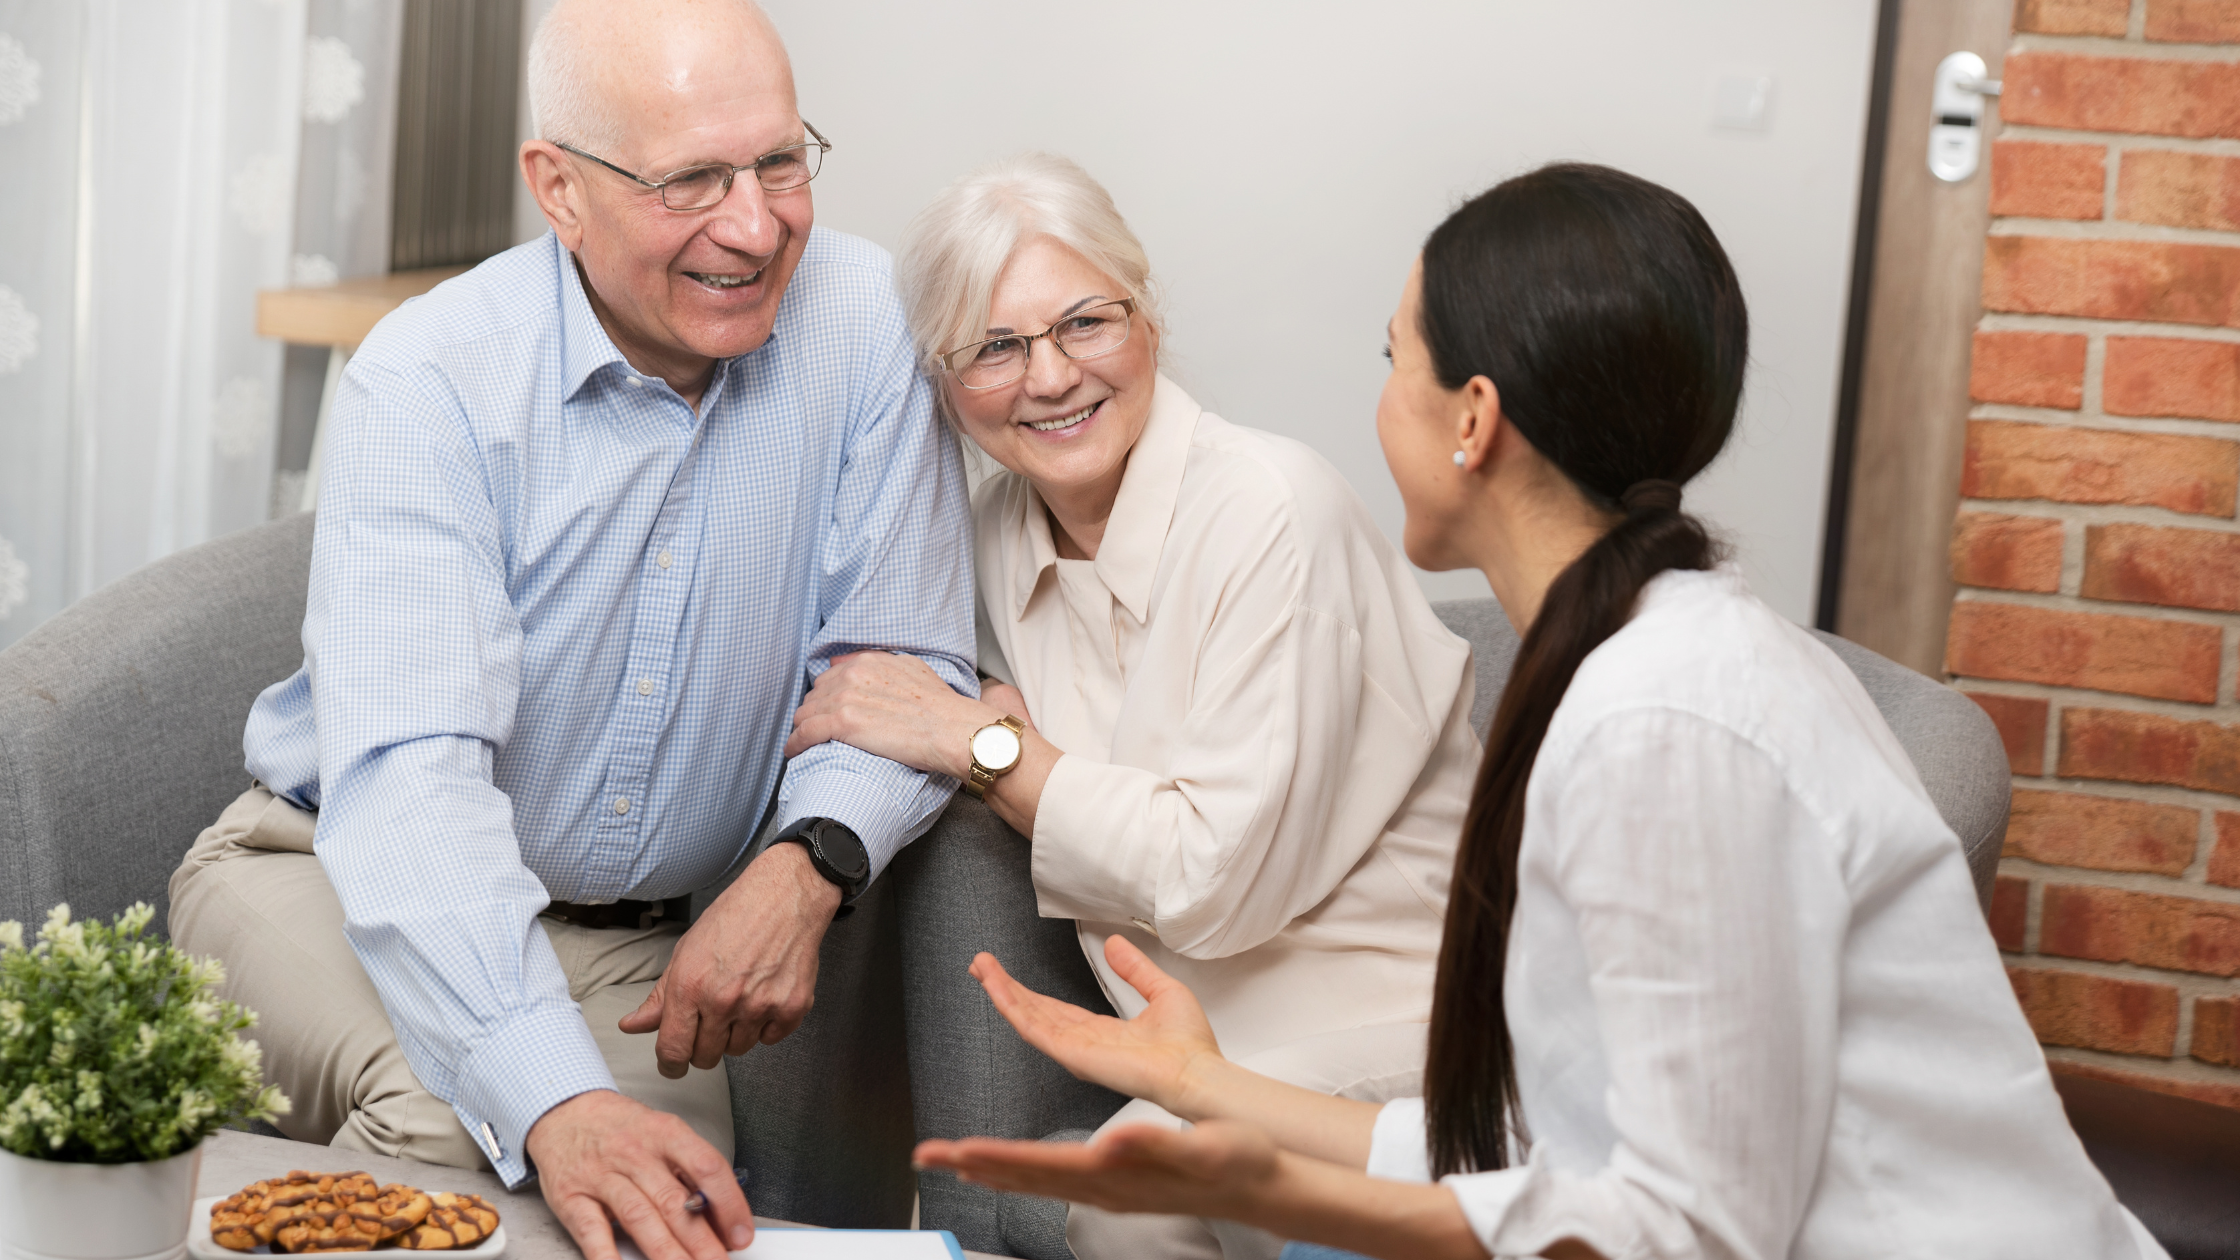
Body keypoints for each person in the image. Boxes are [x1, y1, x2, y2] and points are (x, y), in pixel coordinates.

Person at [912, 163, 2168, 1260]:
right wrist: (1207, 1089)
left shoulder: (1668, 729)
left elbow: (1682, 1235)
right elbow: (1550, 1145)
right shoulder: (1632, 663)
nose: (1370, 407)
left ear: (1471, 422)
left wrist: (1288, 1188)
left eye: (1389, 360)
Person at [164, 3, 975, 1259]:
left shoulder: (868, 322)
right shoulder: (426, 380)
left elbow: (902, 662)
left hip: (626, 940)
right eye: (691, 180)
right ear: (559, 187)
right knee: (460, 1141)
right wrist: (553, 1097)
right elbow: (412, 794)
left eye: (776, 162)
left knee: (673, 1208)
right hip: (322, 867)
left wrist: (808, 861)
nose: (755, 227)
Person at [782, 152, 1483, 1260]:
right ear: (942, 380)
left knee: (1142, 1199)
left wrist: (987, 743)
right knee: (1126, 1200)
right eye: (994, 348)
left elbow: (1212, 884)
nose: (1049, 378)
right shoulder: (989, 532)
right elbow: (868, 699)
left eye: (1084, 324)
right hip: (1193, 1040)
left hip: (1401, 1024)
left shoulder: (1270, 510)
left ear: (1145, 312)